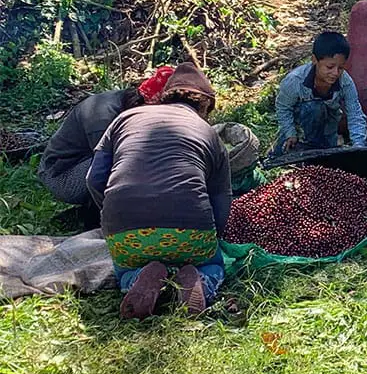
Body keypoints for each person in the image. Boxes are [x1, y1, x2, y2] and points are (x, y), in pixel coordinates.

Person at [87, 63, 231, 320]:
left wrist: (111, 215)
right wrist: (212, 238)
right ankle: (200, 279)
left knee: (125, 266)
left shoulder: (125, 118)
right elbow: (221, 196)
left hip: (125, 230)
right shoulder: (208, 133)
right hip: (190, 228)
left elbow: (94, 179)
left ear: (166, 96)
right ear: (205, 106)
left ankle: (137, 278)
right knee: (212, 263)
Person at [37, 66, 175, 206]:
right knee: (124, 165)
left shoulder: (129, 102)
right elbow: (101, 173)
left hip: (86, 163)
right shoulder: (103, 118)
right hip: (61, 174)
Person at [270, 31, 367, 157]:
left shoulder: (345, 83)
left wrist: (359, 145)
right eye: (330, 67)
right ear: (315, 60)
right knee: (314, 108)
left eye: (341, 68)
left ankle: (318, 149)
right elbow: (283, 107)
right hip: (299, 130)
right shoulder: (294, 81)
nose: (335, 73)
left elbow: (355, 113)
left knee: (326, 162)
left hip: (327, 130)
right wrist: (290, 133)